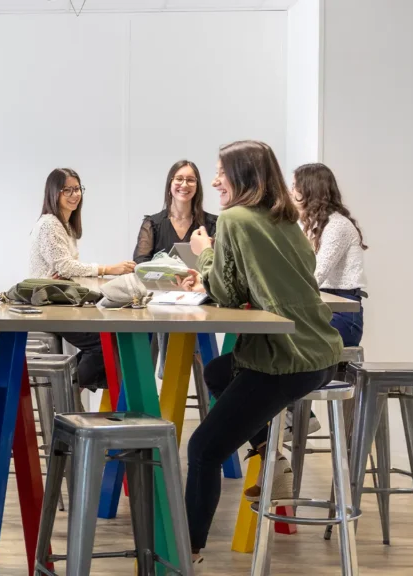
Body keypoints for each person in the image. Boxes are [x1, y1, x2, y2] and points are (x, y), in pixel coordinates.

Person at [179, 141, 342, 562]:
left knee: (202, 450)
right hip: (321, 351)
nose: (215, 181)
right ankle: (272, 453)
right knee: (218, 372)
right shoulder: (285, 219)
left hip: (284, 358)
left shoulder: (234, 219)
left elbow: (228, 295)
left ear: (242, 175)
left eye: (221, 172)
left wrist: (205, 254)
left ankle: (186, 553)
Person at [28, 168, 135, 390]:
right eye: (67, 190)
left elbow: (67, 269)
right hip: (49, 307)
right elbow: (65, 266)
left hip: (61, 304)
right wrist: (108, 269)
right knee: (104, 341)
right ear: (54, 192)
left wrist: (70, 274)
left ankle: (74, 385)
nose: (74, 195)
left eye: (77, 189)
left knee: (111, 336)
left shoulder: (65, 225)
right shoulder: (49, 224)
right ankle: (68, 387)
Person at [291, 163, 366, 347]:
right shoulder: (313, 227)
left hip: (342, 317)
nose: (290, 192)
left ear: (309, 190)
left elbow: (314, 277)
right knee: (267, 336)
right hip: (321, 309)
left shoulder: (337, 226)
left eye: (294, 186)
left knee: (278, 336)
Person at [133, 160, 218, 263]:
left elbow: (220, 264)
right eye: (179, 179)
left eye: (190, 180)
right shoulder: (152, 224)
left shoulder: (215, 224)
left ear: (197, 186)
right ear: (170, 184)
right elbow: (140, 264)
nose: (184, 184)